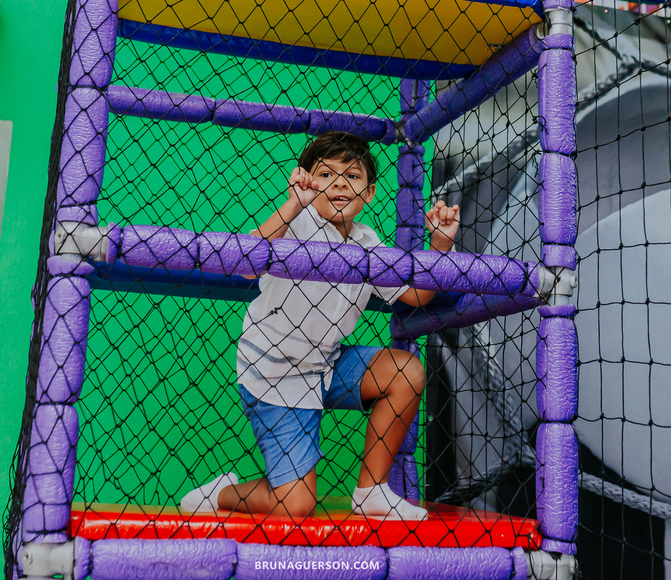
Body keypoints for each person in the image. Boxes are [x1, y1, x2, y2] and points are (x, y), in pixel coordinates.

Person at [179, 132, 460, 521]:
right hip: (274, 371)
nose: (341, 183)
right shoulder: (297, 223)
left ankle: (371, 491)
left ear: (370, 193)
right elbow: (243, 265)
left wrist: (440, 246)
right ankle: (221, 494)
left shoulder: (368, 243)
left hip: (326, 364)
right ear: (308, 183)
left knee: (405, 370)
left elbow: (416, 297)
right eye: (326, 174)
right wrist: (292, 206)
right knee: (295, 506)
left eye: (353, 176)